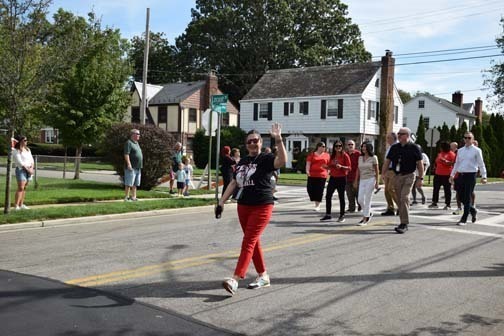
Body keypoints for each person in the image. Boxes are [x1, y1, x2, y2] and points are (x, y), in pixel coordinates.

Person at [217, 123, 287, 296]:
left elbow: (282, 161)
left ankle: (235, 279)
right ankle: (263, 276)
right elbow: (234, 183)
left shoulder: (265, 158)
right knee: (253, 241)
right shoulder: (242, 161)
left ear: (261, 142)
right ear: (246, 144)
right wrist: (221, 202)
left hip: (262, 205)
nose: (253, 144)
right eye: (249, 142)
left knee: (248, 241)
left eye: (255, 141)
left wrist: (278, 140)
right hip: (244, 206)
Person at [381, 127, 424, 234]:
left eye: (401, 134)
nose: (399, 135)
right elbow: (387, 161)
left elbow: (420, 164)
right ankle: (404, 216)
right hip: (397, 176)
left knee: (404, 197)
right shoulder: (394, 147)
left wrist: (421, 178)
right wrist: (383, 173)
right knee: (400, 200)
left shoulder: (414, 148)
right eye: (398, 133)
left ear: (408, 135)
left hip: (409, 176)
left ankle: (404, 223)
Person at [449, 132, 487, 226]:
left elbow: (481, 164)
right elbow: (457, 164)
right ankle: (472, 210)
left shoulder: (477, 150)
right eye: (465, 137)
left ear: (473, 139)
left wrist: (484, 176)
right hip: (461, 175)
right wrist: (452, 175)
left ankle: (464, 219)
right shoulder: (460, 151)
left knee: (467, 196)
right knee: (460, 196)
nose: (467, 139)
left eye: (469, 138)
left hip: (471, 175)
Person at [321, 140, 351, 222]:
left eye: (340, 146)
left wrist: (341, 166)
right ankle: (328, 214)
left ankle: (342, 215)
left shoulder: (345, 155)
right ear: (334, 147)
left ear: (342, 147)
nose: (338, 148)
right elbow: (330, 166)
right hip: (333, 178)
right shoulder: (332, 156)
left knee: (341, 197)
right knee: (328, 196)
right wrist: (326, 167)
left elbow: (349, 167)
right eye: (336, 146)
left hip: (341, 178)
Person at [354, 142, 379, 225]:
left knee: (368, 199)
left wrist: (377, 183)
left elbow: (377, 170)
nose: (363, 148)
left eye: (364, 147)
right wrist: (356, 180)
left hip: (371, 179)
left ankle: (365, 219)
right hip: (362, 180)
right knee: (360, 199)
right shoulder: (360, 158)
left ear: (369, 147)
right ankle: (368, 212)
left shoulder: (374, 157)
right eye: (362, 147)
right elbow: (358, 169)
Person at [429, 142, 456, 209]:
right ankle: (434, 202)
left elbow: (454, 163)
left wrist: (446, 162)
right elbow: (436, 161)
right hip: (438, 174)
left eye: (441, 147)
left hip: (447, 174)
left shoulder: (451, 154)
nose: (440, 148)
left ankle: (448, 204)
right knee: (436, 189)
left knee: (447, 190)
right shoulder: (440, 154)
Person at [305, 142, 330, 212]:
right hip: (312, 175)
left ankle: (317, 205)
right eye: (323, 146)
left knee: (319, 190)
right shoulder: (312, 154)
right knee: (309, 189)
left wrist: (328, 173)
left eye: (325, 146)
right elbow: (308, 163)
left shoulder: (327, 155)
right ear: (318, 147)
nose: (324, 148)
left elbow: (329, 165)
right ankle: (314, 199)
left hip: (322, 175)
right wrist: (307, 171)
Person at [13, 136, 34, 210]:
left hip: (29, 169)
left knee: (24, 188)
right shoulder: (16, 150)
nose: (26, 141)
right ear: (20, 141)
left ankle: (21, 204)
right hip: (21, 170)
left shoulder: (28, 149)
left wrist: (31, 168)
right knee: (21, 187)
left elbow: (31, 159)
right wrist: (28, 170)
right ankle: (16, 206)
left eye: (26, 140)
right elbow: (20, 162)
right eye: (25, 140)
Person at [381, 132, 399, 216]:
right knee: (386, 191)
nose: (387, 139)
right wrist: (383, 172)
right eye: (387, 137)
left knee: (391, 189)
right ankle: (390, 208)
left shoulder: (397, 146)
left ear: (394, 138)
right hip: (388, 170)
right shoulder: (389, 147)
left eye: (389, 137)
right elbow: (386, 161)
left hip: (394, 171)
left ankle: (401, 207)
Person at [124, 129, 143, 201]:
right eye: (138, 134)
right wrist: (129, 164)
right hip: (131, 167)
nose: (139, 135)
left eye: (139, 134)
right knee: (129, 183)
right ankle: (126, 197)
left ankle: (133, 197)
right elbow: (126, 154)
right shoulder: (129, 143)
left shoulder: (136, 143)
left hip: (138, 166)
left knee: (135, 183)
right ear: (133, 134)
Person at [345, 140, 361, 213]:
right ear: (347, 146)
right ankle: (351, 208)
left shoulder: (358, 154)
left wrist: (357, 178)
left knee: (358, 194)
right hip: (347, 177)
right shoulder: (345, 154)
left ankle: (360, 207)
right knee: (349, 194)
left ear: (354, 145)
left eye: (352, 144)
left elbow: (359, 166)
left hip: (356, 177)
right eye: (349, 144)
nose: (350, 146)